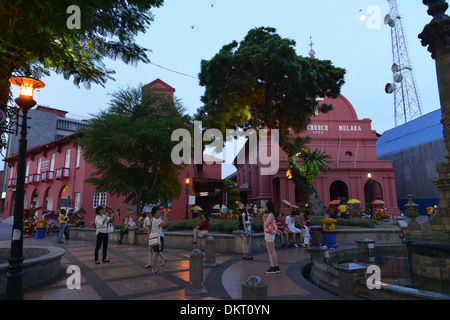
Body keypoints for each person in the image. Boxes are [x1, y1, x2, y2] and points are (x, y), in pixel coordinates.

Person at [146, 206, 168, 274]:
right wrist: (165, 215)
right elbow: (164, 224)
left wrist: (166, 216)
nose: (159, 213)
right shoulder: (155, 220)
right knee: (156, 253)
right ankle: (154, 269)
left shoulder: (158, 220)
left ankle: (154, 268)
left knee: (157, 253)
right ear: (155, 214)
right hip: (157, 238)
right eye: (158, 212)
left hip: (159, 237)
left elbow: (166, 224)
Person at [263, 201, 279, 274]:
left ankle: (273, 267)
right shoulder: (272, 215)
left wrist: (264, 218)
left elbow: (265, 224)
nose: (265, 207)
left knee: (270, 251)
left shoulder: (270, 215)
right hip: (270, 234)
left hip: (268, 234)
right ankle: (276, 267)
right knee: (272, 250)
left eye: (266, 206)